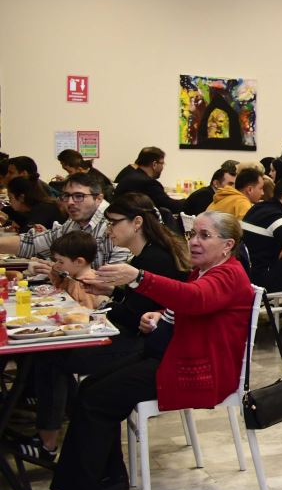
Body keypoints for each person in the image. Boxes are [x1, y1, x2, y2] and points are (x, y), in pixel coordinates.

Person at [41, 211, 254, 490]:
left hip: (198, 370)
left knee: (97, 398)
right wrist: (159, 315)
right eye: (192, 234)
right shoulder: (204, 271)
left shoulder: (229, 274)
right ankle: (107, 476)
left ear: (227, 245)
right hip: (174, 356)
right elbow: (185, 305)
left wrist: (139, 278)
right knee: (90, 388)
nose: (194, 242)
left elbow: (195, 299)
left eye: (204, 236)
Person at [25, 193, 189, 461]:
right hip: (139, 336)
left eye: (113, 223)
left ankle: (48, 441)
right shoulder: (146, 255)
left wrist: (104, 305)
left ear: (137, 223)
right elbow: (137, 303)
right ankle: (62, 432)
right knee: (52, 356)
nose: (108, 229)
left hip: (147, 345)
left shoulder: (154, 259)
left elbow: (138, 317)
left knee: (52, 358)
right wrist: (110, 292)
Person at [0, 172, 129, 268]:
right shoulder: (74, 222)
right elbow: (34, 243)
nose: (70, 202)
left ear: (98, 199)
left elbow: (115, 281)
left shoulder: (115, 224)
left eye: (79, 196)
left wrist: (59, 272)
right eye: (66, 196)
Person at [113, 147, 180, 214]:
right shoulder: (148, 183)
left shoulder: (129, 174)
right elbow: (170, 206)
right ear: (154, 164)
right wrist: (186, 202)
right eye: (162, 163)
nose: (163, 167)